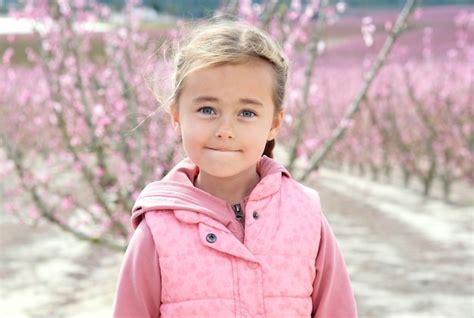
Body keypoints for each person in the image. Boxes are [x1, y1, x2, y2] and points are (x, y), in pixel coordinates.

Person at [112, 19, 357, 317]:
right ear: (177, 116)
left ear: (274, 123)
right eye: (207, 110)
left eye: (246, 112)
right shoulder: (159, 230)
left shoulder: (305, 216)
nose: (225, 129)